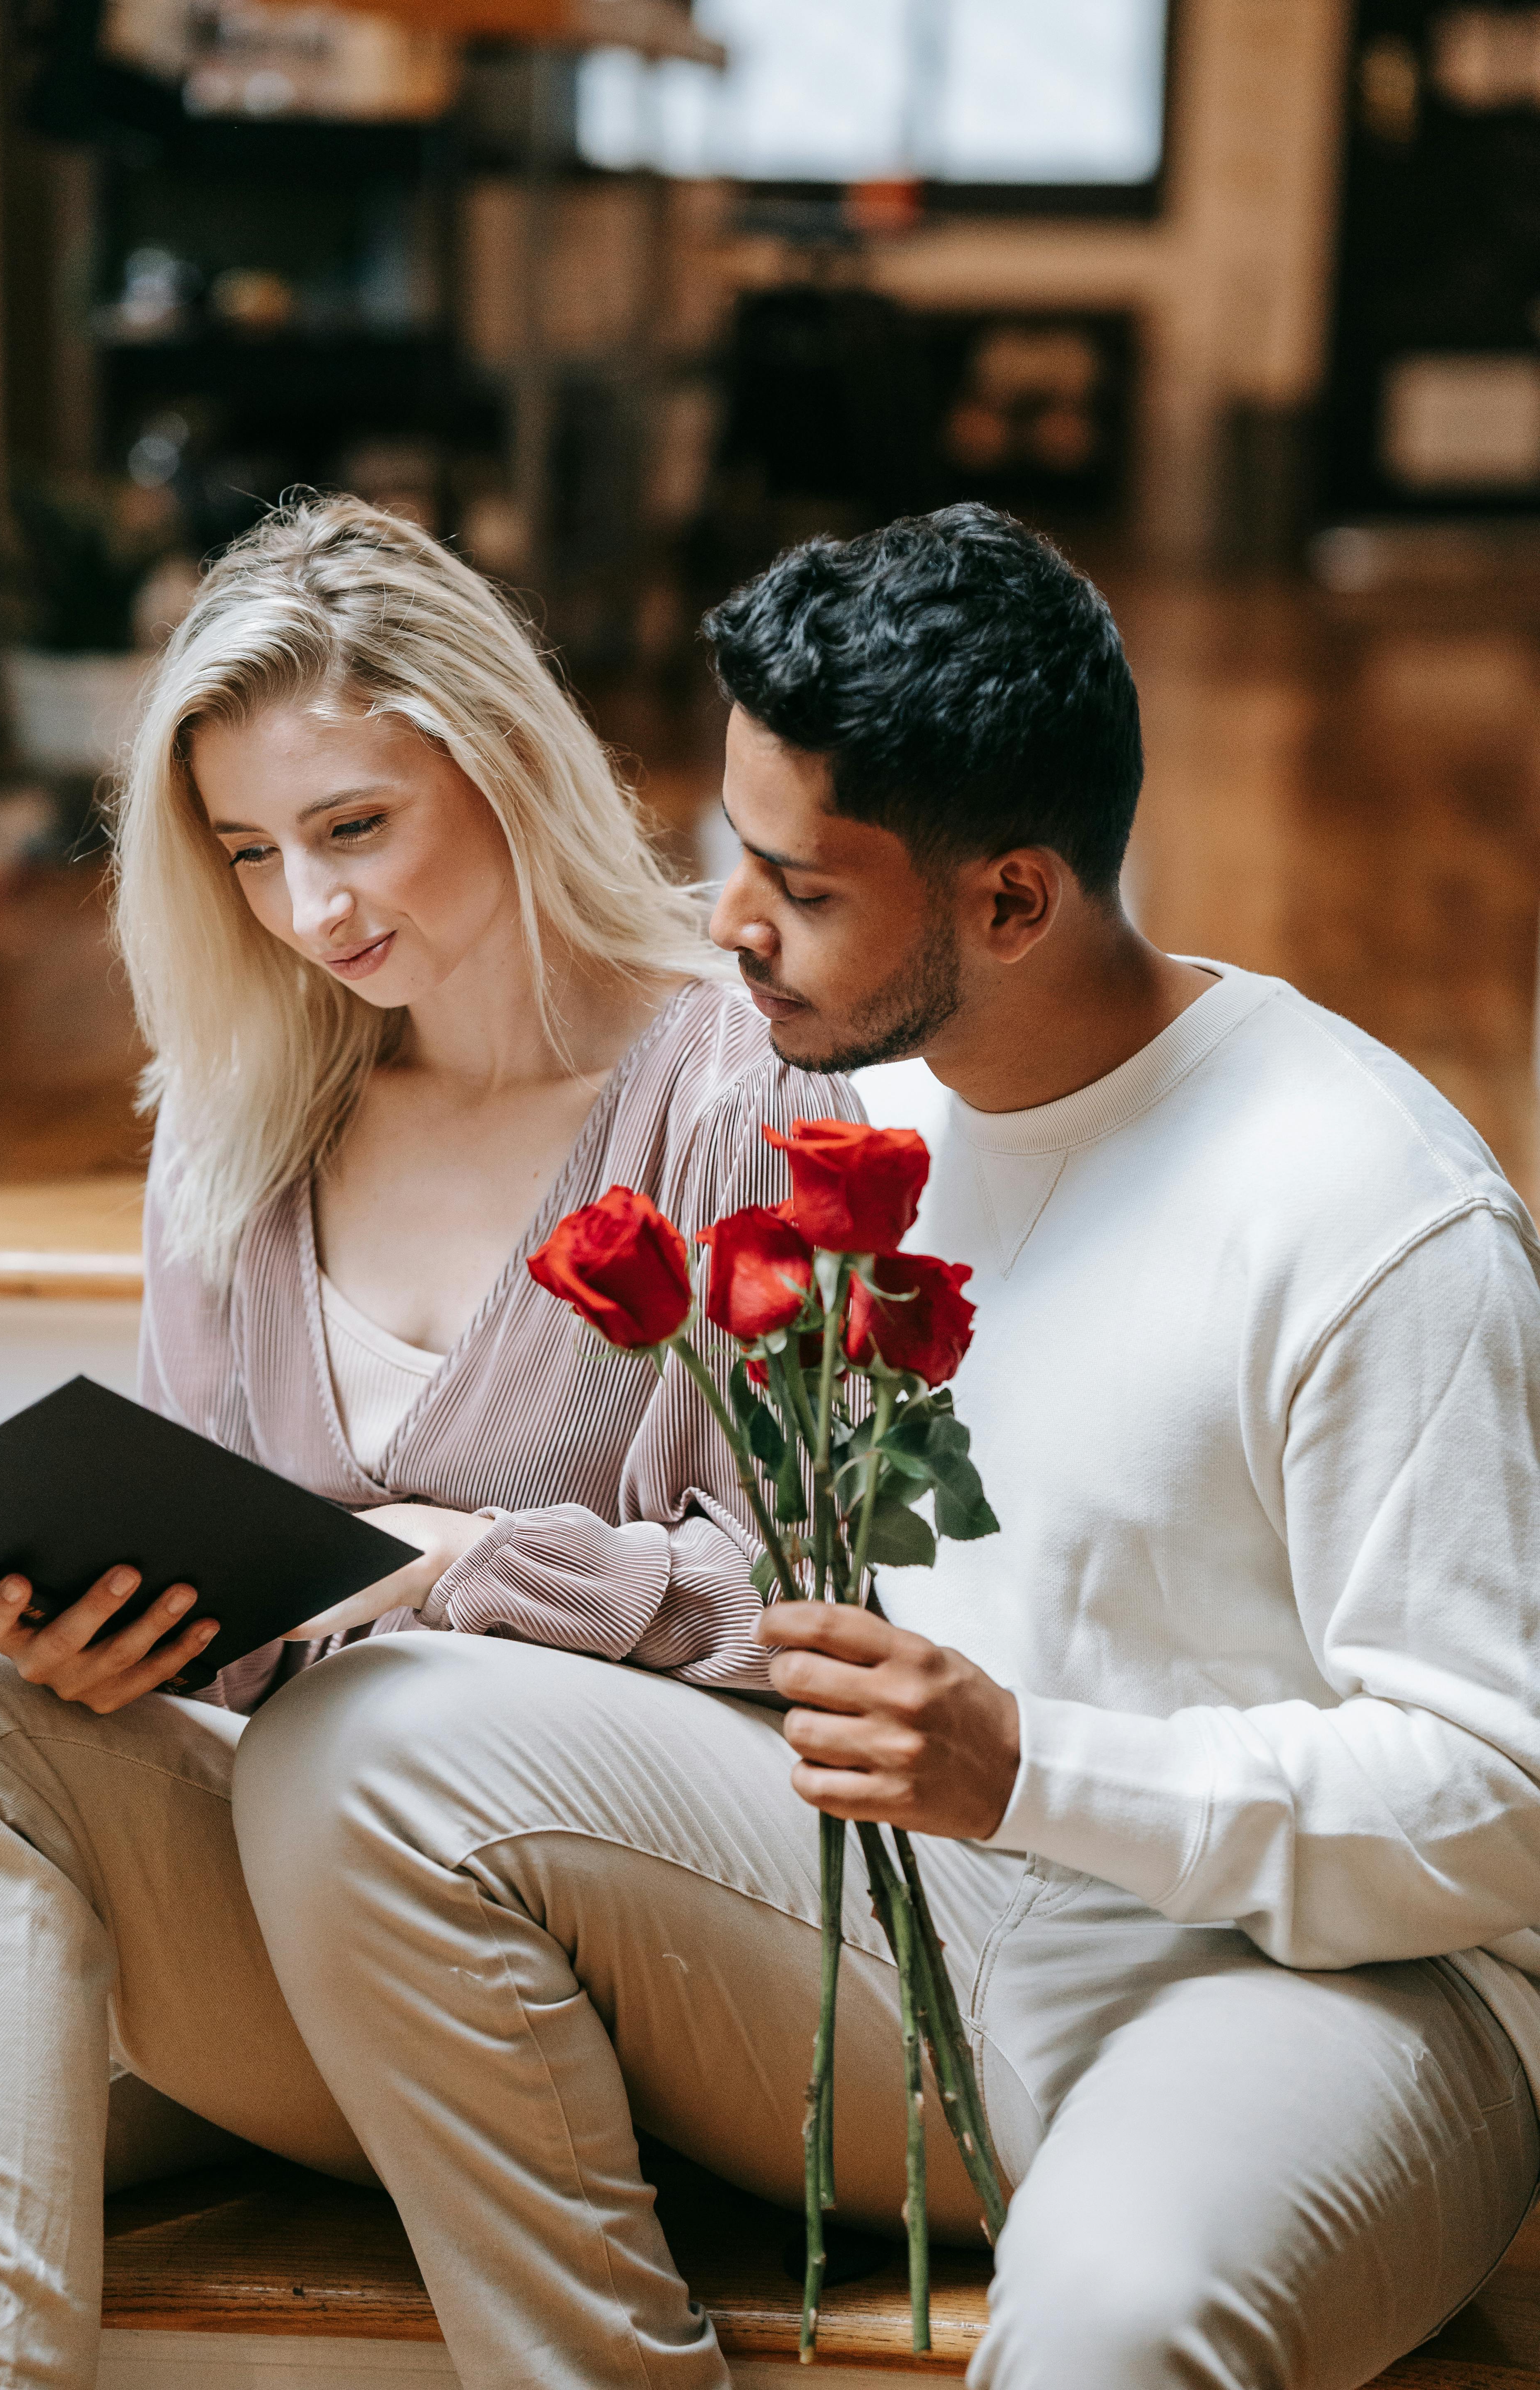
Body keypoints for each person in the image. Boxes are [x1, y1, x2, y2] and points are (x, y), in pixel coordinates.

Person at [190, 503, 1538, 2390]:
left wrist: (1028, 1763)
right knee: (371, 1745)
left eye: (801, 885)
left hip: (1302, 1987)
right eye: (731, 849)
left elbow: (1500, 1800)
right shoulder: (837, 1129)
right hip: (902, 1921)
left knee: (1118, 2326)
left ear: (1009, 900)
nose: (726, 924)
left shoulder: (1366, 1207)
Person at [0, 496, 859, 2389]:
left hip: (669, 1951)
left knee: (370, 1727)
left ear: (498, 767)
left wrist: (452, 1566)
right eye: (249, 854)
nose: (314, 911)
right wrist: (78, 1636)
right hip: (330, 1932)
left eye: (354, 828)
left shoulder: (733, 1083)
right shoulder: (239, 1125)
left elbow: (832, 1604)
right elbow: (212, 1590)